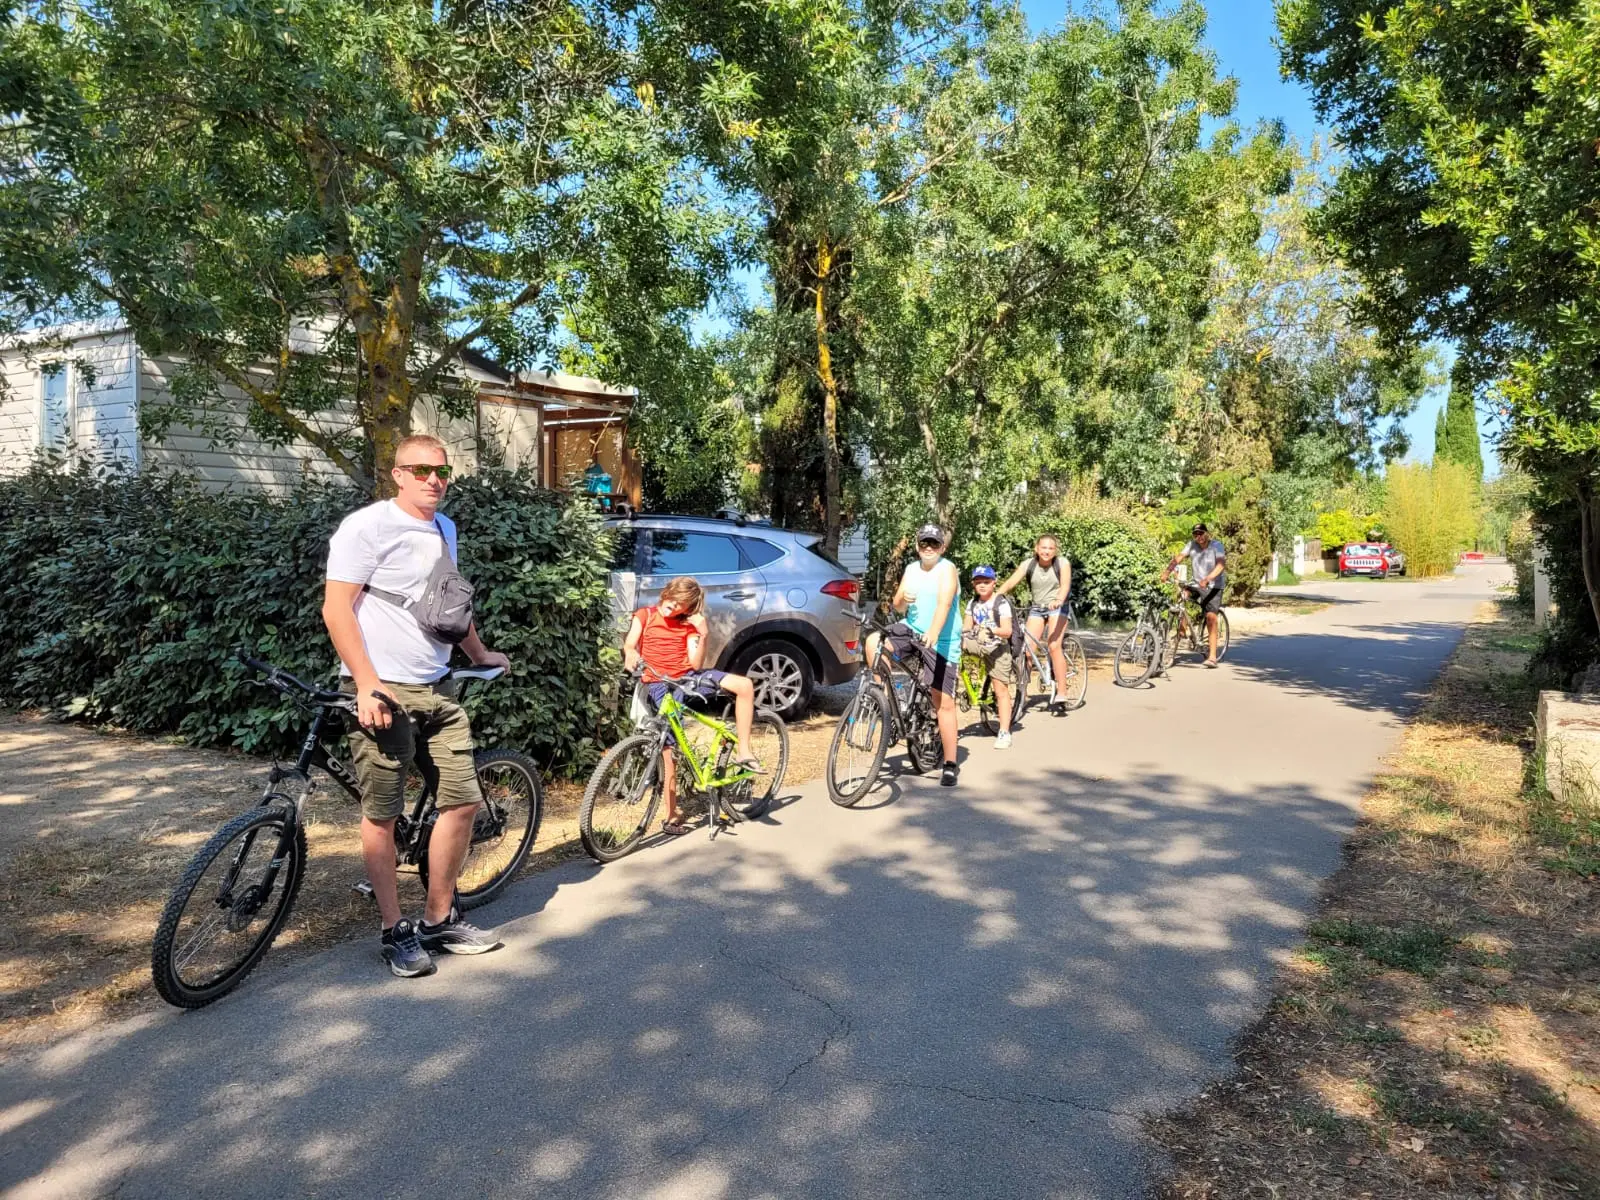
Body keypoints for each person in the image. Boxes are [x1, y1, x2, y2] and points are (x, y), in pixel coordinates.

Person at [323, 433, 508, 979]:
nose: (434, 479)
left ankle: (437, 919)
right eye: (422, 470)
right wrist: (366, 684)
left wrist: (477, 651)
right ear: (398, 474)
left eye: (442, 470)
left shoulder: (444, 528)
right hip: (386, 690)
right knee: (381, 814)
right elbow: (337, 609)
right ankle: (393, 929)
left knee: (463, 801)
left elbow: (448, 603)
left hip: (438, 686)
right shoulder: (366, 527)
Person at [622, 576, 762, 835]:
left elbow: (696, 665)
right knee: (669, 746)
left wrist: (703, 632)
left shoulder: (688, 626)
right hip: (658, 682)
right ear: (666, 593)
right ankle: (671, 814)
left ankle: (744, 750)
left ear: (689, 609)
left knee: (744, 686)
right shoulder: (645, 615)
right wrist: (631, 652)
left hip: (688, 678)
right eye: (672, 599)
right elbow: (631, 642)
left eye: (681, 605)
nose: (673, 606)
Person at [866, 523, 963, 786]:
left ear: (942, 547)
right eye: (924, 543)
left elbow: (944, 603)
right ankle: (882, 700)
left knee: (942, 701)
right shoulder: (911, 569)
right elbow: (897, 605)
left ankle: (951, 763)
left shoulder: (948, 569)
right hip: (912, 629)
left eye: (934, 544)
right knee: (874, 641)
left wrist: (932, 633)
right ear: (918, 546)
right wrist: (902, 599)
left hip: (941, 639)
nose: (928, 548)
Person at [997, 534, 1074, 713]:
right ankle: (1021, 694)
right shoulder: (1028, 565)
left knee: (1054, 645)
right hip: (1037, 608)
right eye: (1043, 548)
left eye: (1050, 548)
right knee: (1027, 649)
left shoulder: (1062, 563)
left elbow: (1065, 586)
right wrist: (995, 598)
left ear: (1055, 551)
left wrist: (1058, 600)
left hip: (1058, 607)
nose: (1046, 551)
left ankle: (1062, 691)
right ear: (1037, 549)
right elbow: (1010, 582)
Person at [962, 565, 1017, 748]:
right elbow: (967, 628)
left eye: (986, 582)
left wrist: (990, 630)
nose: (982, 585)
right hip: (978, 645)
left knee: (1000, 689)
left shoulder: (1001, 604)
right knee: (955, 650)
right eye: (978, 582)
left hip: (997, 649)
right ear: (973, 584)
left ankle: (1004, 732)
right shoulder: (972, 604)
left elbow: (1007, 631)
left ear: (994, 583)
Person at [1162, 521, 1228, 667]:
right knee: (1182, 597)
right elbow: (1178, 558)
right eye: (1195, 534)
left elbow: (1221, 565)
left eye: (1201, 533)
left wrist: (1208, 578)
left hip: (1214, 586)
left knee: (1211, 617)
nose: (1198, 537)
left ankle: (1212, 657)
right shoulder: (1191, 545)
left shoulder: (1216, 545)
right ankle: (1182, 631)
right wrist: (1167, 571)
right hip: (1196, 583)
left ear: (1207, 533)